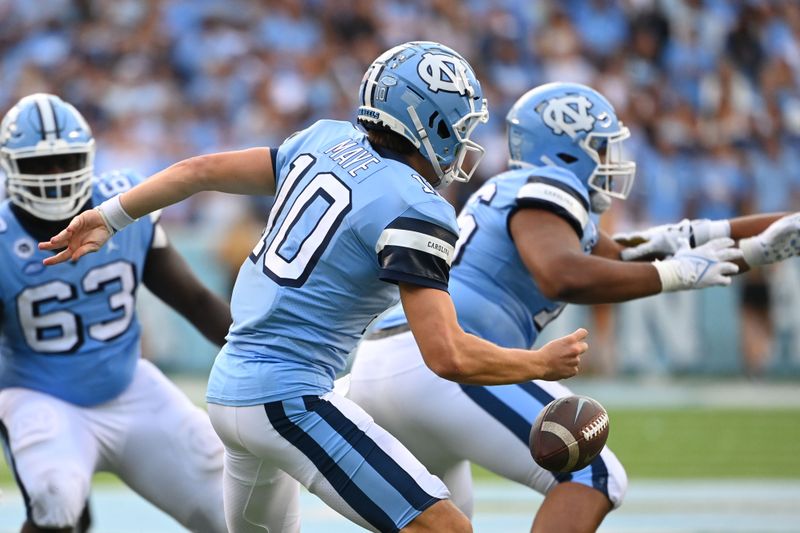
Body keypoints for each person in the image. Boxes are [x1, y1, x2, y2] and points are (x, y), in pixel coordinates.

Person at [39, 42, 590, 533]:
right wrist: (537, 365)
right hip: (290, 398)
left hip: (229, 387)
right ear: (433, 124)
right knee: (444, 528)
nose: (466, 140)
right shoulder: (418, 209)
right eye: (459, 124)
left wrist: (109, 216)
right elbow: (447, 355)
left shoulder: (324, 140)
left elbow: (200, 169)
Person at [344, 82, 800, 533]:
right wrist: (676, 274)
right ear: (566, 150)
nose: (609, 161)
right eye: (600, 148)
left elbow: (646, 250)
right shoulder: (548, 186)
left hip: (385, 368)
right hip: (446, 364)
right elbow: (561, 273)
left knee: (448, 524)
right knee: (594, 473)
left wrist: (760, 248)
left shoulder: (520, 191)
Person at [0, 93, 230, 533]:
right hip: (39, 394)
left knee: (228, 498)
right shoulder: (3, 239)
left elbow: (196, 301)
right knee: (55, 498)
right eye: (38, 165)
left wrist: (269, 359)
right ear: (12, 168)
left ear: (87, 157)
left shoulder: (124, 206)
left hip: (128, 384)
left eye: (63, 160)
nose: (53, 176)